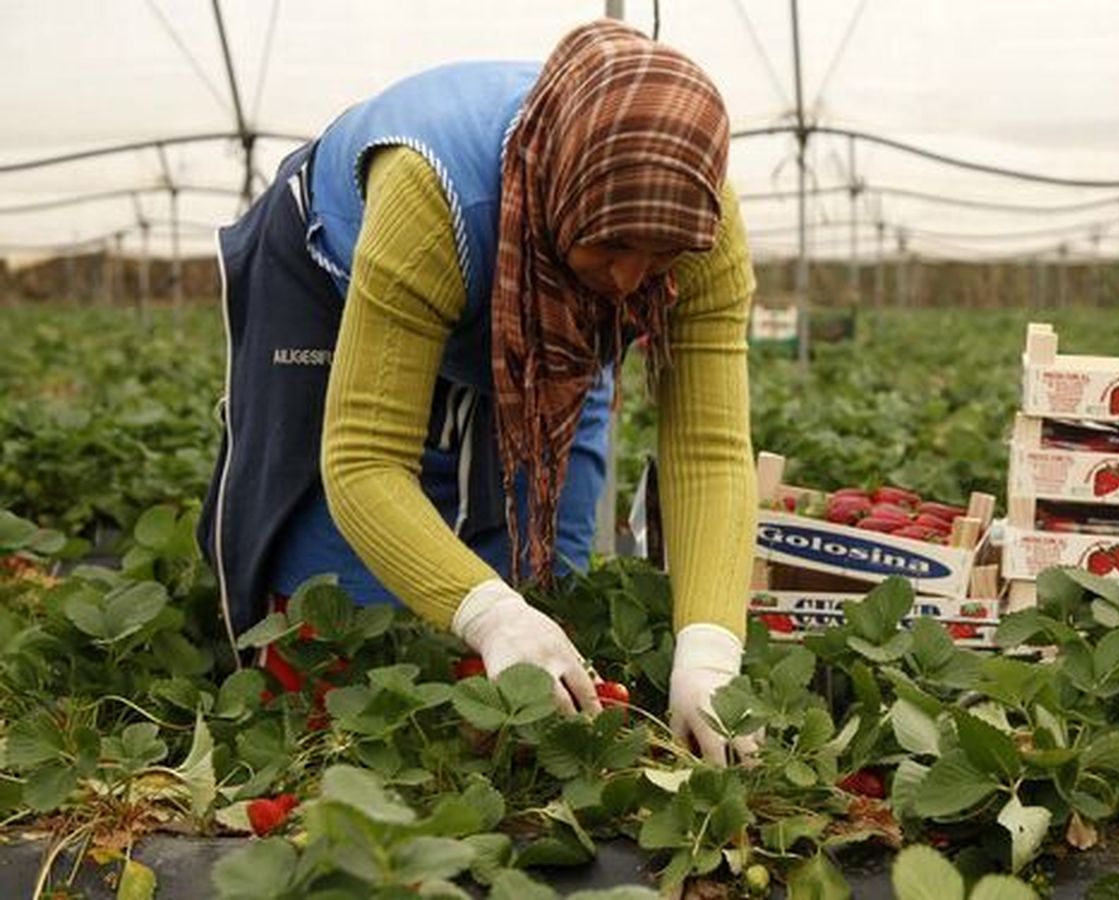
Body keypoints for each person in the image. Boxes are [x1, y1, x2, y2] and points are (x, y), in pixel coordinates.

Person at [196, 21, 758, 765]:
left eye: (659, 259)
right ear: (567, 195)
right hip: (330, 279)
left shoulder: (699, 229)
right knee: (337, 595)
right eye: (613, 246)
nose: (629, 279)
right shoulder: (430, 200)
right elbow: (364, 458)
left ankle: (511, 728)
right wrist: (489, 615)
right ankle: (319, 732)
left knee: (550, 564)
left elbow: (709, 450)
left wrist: (710, 648)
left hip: (545, 302)